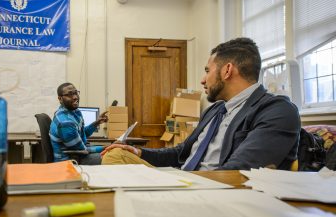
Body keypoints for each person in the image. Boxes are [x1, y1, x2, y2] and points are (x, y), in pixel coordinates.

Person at [101, 37, 301, 170]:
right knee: (116, 154)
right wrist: (139, 151)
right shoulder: (216, 110)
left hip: (212, 187)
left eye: (207, 71)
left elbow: (238, 171)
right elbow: (182, 152)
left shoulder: (277, 111)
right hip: (185, 179)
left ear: (227, 70)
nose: (203, 80)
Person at [50, 82, 108, 164]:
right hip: (69, 161)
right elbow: (82, 150)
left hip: (79, 154)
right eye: (70, 94)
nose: (75, 97)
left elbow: (82, 133)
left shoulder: (75, 112)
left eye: (75, 93)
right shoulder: (65, 122)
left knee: (116, 153)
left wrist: (96, 123)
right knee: (113, 157)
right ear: (60, 99)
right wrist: (106, 147)